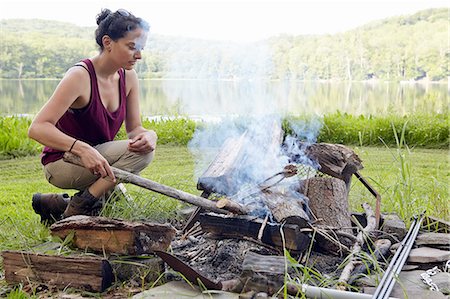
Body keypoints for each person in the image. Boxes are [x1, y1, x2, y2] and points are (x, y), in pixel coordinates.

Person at [28, 8, 157, 224]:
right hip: (62, 162)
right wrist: (82, 148)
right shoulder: (80, 76)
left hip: (99, 161)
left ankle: (58, 204)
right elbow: (38, 128)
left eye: (142, 48)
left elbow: (135, 129)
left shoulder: (129, 77)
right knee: (139, 159)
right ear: (108, 42)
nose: (139, 55)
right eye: (132, 47)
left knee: (118, 201)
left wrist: (149, 134)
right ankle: (82, 205)